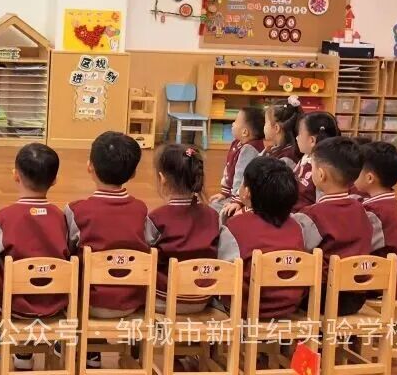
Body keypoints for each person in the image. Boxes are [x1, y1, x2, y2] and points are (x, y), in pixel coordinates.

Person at [0, 143, 70, 370]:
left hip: (14, 306)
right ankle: (24, 351)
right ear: (54, 180)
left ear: (15, 175)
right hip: (56, 304)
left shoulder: (3, 218)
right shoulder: (62, 218)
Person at [64, 132, 148, 318]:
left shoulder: (76, 211)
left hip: (88, 301)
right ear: (133, 173)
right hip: (132, 302)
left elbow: (67, 251)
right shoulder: (141, 210)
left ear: (90, 166)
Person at [291, 137, 375, 316]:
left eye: (312, 167)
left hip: (321, 297)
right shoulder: (363, 210)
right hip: (356, 295)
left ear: (321, 175)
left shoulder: (313, 215)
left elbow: (296, 247)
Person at [217, 158, 305, 319]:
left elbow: (222, 271)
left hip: (246, 309)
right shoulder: (297, 226)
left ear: (247, 192)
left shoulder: (236, 226)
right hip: (288, 307)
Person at [145, 144, 220, 314]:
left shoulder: (157, 218)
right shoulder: (213, 216)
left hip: (164, 298)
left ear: (162, 178)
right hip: (202, 298)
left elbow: (142, 254)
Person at [357, 141, 397, 299]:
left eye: (356, 169)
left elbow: (358, 245)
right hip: (387, 272)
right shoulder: (384, 201)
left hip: (390, 280)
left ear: (369, 178)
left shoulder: (376, 212)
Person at [211, 107, 266, 219]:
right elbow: (229, 171)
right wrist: (225, 192)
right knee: (214, 205)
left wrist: (237, 201)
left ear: (245, 132)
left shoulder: (249, 149)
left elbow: (242, 178)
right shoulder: (237, 143)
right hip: (234, 194)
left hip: (243, 197)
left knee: (214, 211)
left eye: (236, 121)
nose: (232, 124)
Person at [293, 112, 341, 211]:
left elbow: (321, 207)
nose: (296, 138)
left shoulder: (322, 169)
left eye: (299, 134)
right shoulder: (305, 158)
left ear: (312, 140)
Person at [265, 96, 302, 166]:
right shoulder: (278, 150)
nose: (264, 126)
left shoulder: (285, 160)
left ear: (276, 128)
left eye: (265, 122)